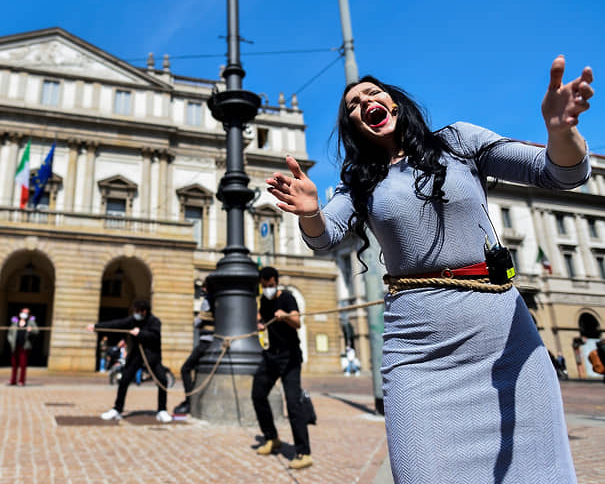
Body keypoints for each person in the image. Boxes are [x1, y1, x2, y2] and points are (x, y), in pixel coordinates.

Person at [266, 55, 592, 482]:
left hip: (505, 342)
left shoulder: (459, 141)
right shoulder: (359, 181)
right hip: (419, 353)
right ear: (354, 128)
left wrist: (560, 131)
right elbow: (323, 237)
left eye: (371, 94)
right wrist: (310, 211)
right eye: (351, 106)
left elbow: (559, 174)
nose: (363, 103)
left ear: (394, 103)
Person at [251, 266, 312, 470]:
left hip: (290, 357)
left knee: (293, 403)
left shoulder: (287, 297)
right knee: (258, 394)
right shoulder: (264, 301)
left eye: (271, 285)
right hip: (272, 356)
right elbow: (261, 317)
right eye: (265, 285)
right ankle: (272, 438)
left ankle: (304, 452)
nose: (268, 288)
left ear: (276, 282)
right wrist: (260, 323)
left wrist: (285, 316)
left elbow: (297, 322)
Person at [87, 299, 171, 423]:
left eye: (138, 311)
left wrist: (140, 333)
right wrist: (96, 327)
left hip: (152, 356)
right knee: (124, 380)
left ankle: (162, 410)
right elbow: (115, 324)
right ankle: (117, 409)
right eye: (134, 311)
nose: (135, 314)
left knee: (162, 380)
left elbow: (155, 336)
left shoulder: (155, 321)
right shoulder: (132, 320)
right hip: (136, 356)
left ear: (144, 311)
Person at [173, 278, 215, 414]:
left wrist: (196, 320)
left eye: (204, 287)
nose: (202, 289)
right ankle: (193, 400)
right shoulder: (219, 300)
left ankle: (189, 401)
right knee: (197, 370)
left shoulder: (207, 301)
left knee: (185, 369)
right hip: (214, 342)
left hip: (206, 342)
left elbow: (198, 322)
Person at [7, 307, 38, 386]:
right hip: (15, 346)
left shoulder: (31, 322)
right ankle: (13, 380)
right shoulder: (15, 322)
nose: (24, 314)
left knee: (23, 364)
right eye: (23, 312)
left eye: (26, 313)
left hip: (24, 346)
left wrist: (31, 330)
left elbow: (37, 331)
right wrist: (11, 342)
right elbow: (10, 334)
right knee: (14, 364)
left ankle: (21, 381)